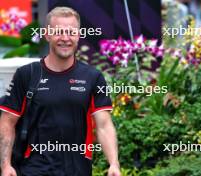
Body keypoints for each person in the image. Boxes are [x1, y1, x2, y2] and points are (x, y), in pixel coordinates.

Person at [0, 7, 121, 176]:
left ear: (78, 35)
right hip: (33, 170)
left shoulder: (92, 77)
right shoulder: (27, 74)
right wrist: (5, 165)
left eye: (71, 32)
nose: (65, 38)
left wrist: (114, 164)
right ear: (47, 34)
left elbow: (104, 125)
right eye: (59, 32)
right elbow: (7, 121)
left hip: (78, 170)